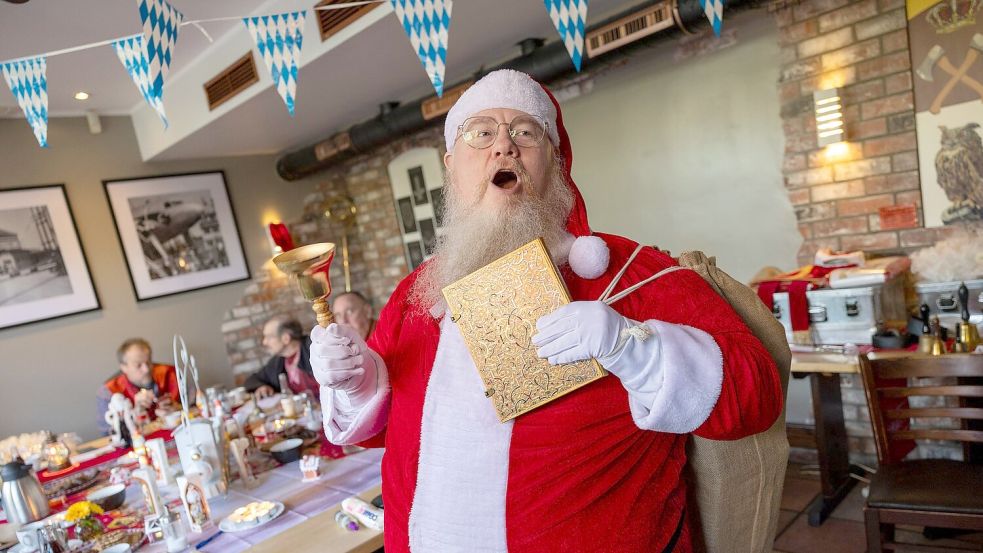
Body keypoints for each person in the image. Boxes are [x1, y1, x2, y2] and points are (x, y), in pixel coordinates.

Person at [310, 70, 783, 552]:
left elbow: (756, 397)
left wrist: (635, 346)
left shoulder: (632, 273)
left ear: (555, 161)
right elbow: (383, 434)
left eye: (525, 132)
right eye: (482, 133)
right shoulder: (418, 294)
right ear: (452, 166)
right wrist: (356, 380)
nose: (504, 146)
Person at [97, 338, 180, 434]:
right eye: (138, 365)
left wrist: (178, 409)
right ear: (124, 367)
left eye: (149, 362)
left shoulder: (170, 373)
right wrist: (135, 413)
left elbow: (195, 407)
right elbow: (107, 433)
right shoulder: (108, 391)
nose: (146, 369)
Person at [244, 315, 318, 399]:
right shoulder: (278, 361)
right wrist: (261, 387)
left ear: (286, 338)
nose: (264, 342)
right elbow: (252, 379)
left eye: (269, 337)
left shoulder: (314, 349)